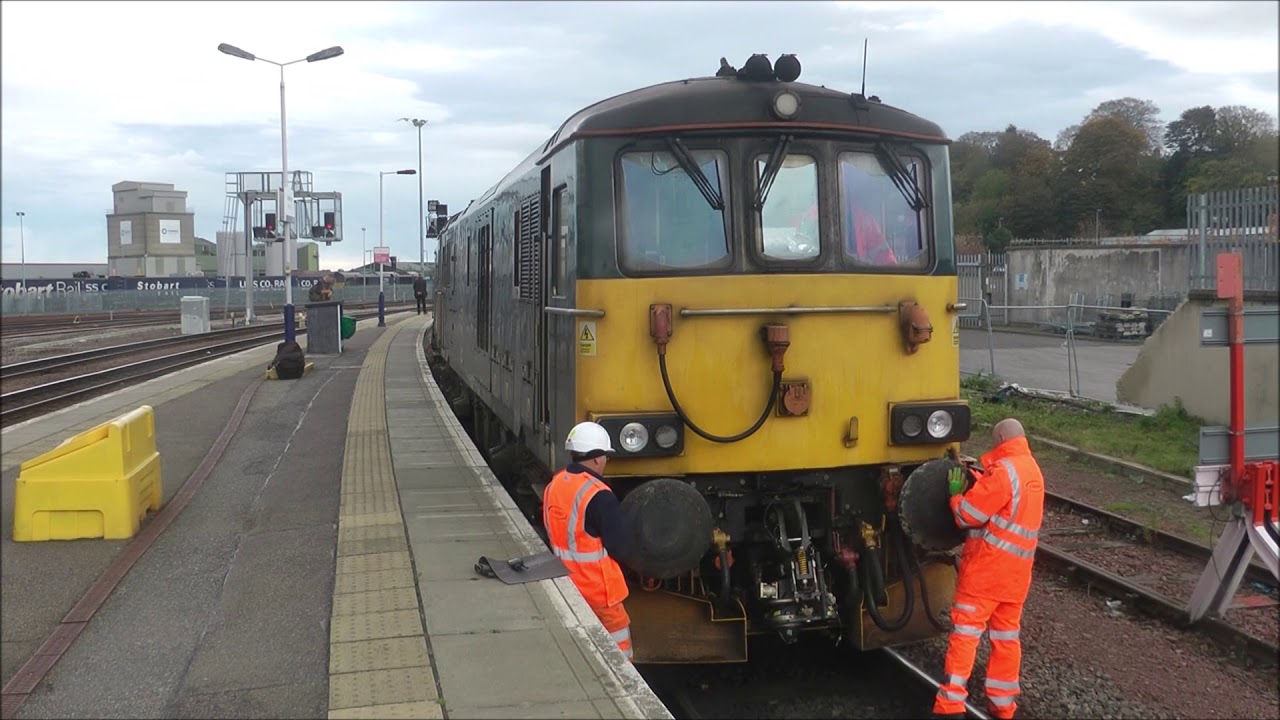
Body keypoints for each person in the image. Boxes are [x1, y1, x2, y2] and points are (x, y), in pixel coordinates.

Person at [932, 418, 1045, 720]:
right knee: (1006, 640)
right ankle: (1003, 706)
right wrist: (981, 480)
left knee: (965, 636)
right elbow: (1006, 507)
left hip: (986, 574)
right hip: (1017, 577)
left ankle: (950, 706)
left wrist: (956, 494)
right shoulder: (1031, 470)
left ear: (999, 438)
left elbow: (968, 516)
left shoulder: (1004, 472)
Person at [542, 421, 635, 661]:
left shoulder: (556, 484)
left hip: (566, 584)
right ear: (596, 458)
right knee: (619, 650)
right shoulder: (599, 494)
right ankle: (624, 687)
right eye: (605, 456)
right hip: (599, 592)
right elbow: (621, 547)